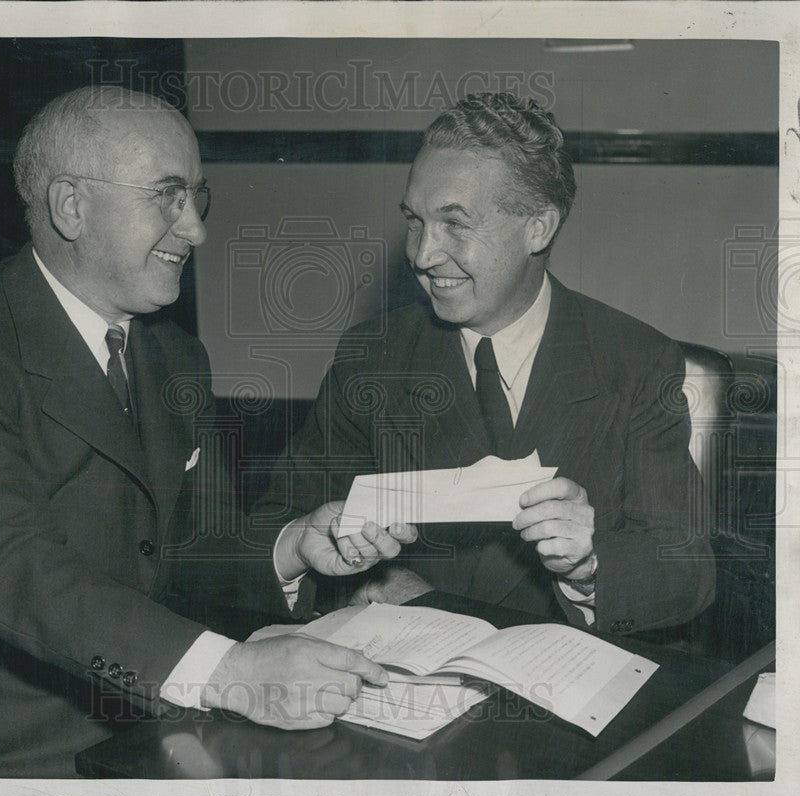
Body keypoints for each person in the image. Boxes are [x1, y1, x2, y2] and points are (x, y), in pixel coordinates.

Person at [0, 86, 416, 778]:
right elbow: (14, 575)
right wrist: (231, 671)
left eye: (197, 197)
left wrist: (292, 548)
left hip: (146, 725)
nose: (196, 229)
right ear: (71, 207)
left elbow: (189, 553)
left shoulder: (174, 357)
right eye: (166, 196)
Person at [259, 92, 715, 634]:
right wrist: (337, 565)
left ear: (538, 228)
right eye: (415, 221)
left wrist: (590, 567)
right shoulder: (371, 358)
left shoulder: (635, 360)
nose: (422, 255)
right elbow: (278, 526)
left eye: (455, 224)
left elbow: (687, 573)